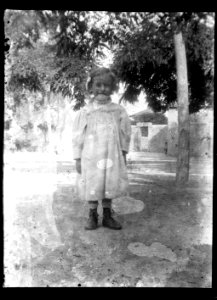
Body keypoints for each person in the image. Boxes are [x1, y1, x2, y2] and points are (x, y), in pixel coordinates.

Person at [72, 67, 131, 230]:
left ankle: (107, 216)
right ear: (91, 87)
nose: (102, 89)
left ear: (112, 88)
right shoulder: (86, 112)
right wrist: (77, 158)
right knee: (93, 184)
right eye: (98, 85)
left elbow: (125, 133)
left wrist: (124, 152)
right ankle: (92, 216)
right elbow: (78, 135)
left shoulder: (118, 111)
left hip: (111, 155)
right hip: (90, 157)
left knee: (108, 183)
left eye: (106, 85)